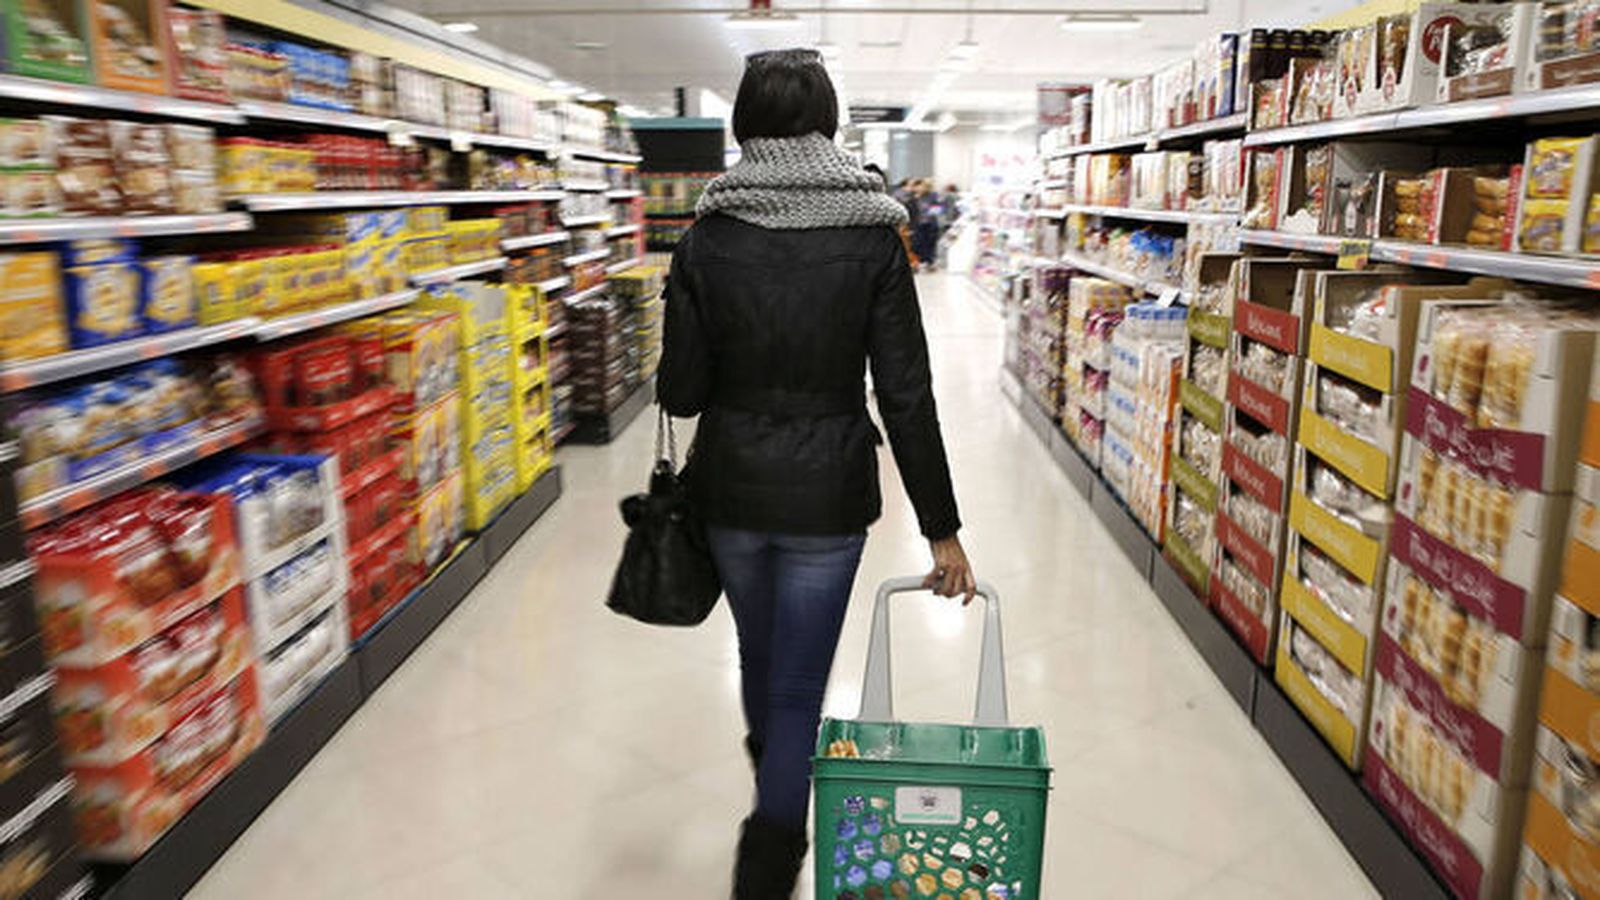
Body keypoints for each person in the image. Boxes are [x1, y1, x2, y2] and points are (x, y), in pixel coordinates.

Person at [656, 48, 975, 899]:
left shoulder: (706, 234)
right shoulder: (874, 234)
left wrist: (687, 310)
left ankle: (775, 784)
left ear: (744, 124)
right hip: (829, 492)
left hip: (729, 484)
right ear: (828, 122)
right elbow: (906, 394)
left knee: (760, 659)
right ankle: (768, 853)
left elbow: (681, 393)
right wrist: (942, 529)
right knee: (799, 680)